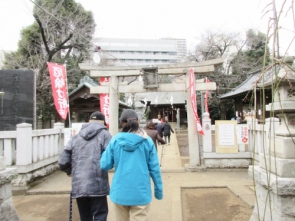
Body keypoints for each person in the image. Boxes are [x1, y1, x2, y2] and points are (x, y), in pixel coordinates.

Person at [100, 109, 163, 221]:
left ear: (121, 122)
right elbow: (155, 169)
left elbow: (104, 165)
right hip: (141, 192)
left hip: (120, 191)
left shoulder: (115, 140)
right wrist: (158, 191)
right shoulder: (147, 141)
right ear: (138, 121)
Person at [58, 111, 112, 221]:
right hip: (98, 184)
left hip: (79, 185)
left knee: (85, 217)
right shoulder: (105, 135)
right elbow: (112, 156)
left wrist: (70, 171)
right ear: (103, 123)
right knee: (100, 216)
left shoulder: (76, 137)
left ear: (89, 121)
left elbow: (63, 160)